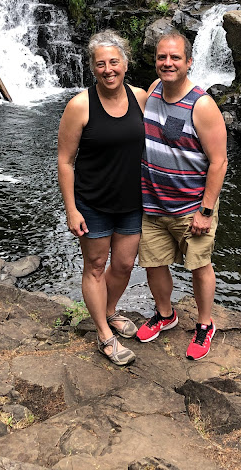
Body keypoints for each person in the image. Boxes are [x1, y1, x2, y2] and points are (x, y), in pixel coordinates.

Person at [136, 31, 228, 360]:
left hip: (191, 207)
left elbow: (219, 162)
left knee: (200, 266)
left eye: (175, 57)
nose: (168, 63)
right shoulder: (153, 90)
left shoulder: (202, 105)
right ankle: (165, 314)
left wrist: (206, 211)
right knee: (154, 264)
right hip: (152, 203)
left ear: (189, 62)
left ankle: (204, 324)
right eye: (162, 57)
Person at [58, 30, 147, 366]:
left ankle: (109, 311)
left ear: (125, 63)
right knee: (95, 267)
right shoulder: (80, 105)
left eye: (114, 62)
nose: (108, 69)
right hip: (92, 203)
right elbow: (65, 161)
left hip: (131, 202)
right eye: (100, 64)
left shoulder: (140, 97)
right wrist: (71, 209)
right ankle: (104, 335)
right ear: (92, 68)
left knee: (123, 265)